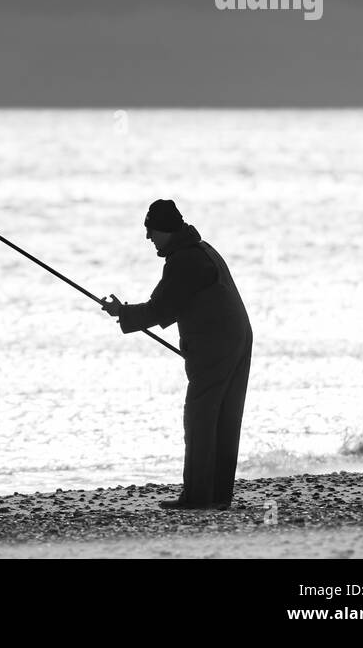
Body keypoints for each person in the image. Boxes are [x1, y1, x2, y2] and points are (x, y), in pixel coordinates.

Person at [101, 199, 253, 510]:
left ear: (165, 229)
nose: (148, 238)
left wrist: (122, 312)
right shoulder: (201, 250)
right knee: (224, 417)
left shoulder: (184, 260)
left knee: (199, 417)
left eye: (151, 230)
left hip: (217, 346)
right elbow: (174, 305)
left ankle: (198, 497)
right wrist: (128, 313)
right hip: (236, 339)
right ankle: (218, 495)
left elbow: (159, 309)